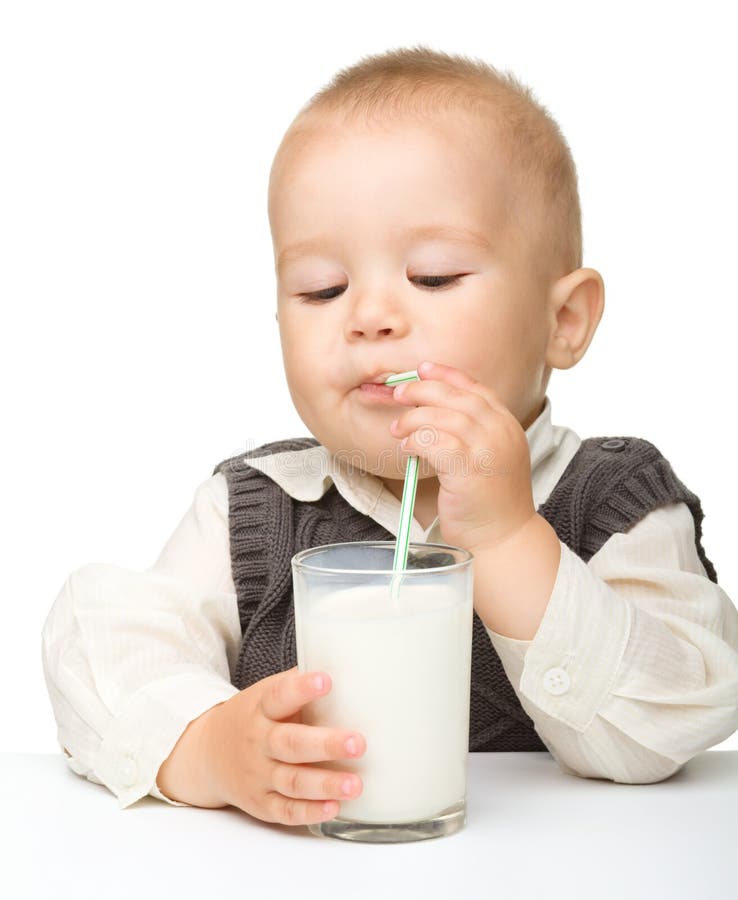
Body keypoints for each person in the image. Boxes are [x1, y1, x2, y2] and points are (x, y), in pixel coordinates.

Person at [41, 45, 738, 828]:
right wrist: (204, 746)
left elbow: (679, 713)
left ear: (563, 321)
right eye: (322, 289)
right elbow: (102, 636)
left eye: (434, 276)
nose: (368, 316)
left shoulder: (614, 502)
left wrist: (509, 537)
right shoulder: (256, 507)